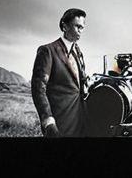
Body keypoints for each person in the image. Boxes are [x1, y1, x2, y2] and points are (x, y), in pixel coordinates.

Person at [31, 8, 89, 137]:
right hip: (60, 123)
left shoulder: (78, 52)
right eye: (77, 26)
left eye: (82, 27)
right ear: (64, 26)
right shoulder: (47, 51)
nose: (81, 30)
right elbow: (38, 89)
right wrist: (48, 121)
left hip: (80, 121)